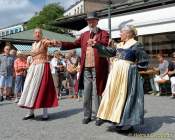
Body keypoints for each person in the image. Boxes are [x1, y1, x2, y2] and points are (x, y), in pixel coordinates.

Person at [56, 12, 109, 125]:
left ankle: (99, 116)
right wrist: (60, 43)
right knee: (86, 93)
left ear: (97, 21)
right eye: (89, 21)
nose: (91, 22)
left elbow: (105, 44)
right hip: (86, 68)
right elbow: (74, 44)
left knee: (97, 92)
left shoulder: (103, 33)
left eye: (93, 20)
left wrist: (95, 42)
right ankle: (87, 115)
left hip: (98, 67)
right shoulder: (84, 35)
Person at [92, 25, 149, 131]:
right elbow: (109, 52)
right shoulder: (119, 45)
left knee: (127, 96)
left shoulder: (136, 45)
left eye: (121, 32)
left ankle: (127, 123)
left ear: (128, 33)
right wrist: (97, 45)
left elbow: (143, 61)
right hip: (116, 74)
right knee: (115, 96)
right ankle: (115, 118)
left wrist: (133, 69)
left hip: (128, 74)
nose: (120, 34)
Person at [18, 28, 58, 120]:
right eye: (36, 33)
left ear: (41, 34)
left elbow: (49, 43)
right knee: (30, 88)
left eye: (39, 33)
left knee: (44, 88)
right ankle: (30, 112)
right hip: (33, 67)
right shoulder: (33, 44)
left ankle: (45, 113)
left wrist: (52, 42)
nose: (37, 34)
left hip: (43, 66)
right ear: (33, 34)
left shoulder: (44, 41)